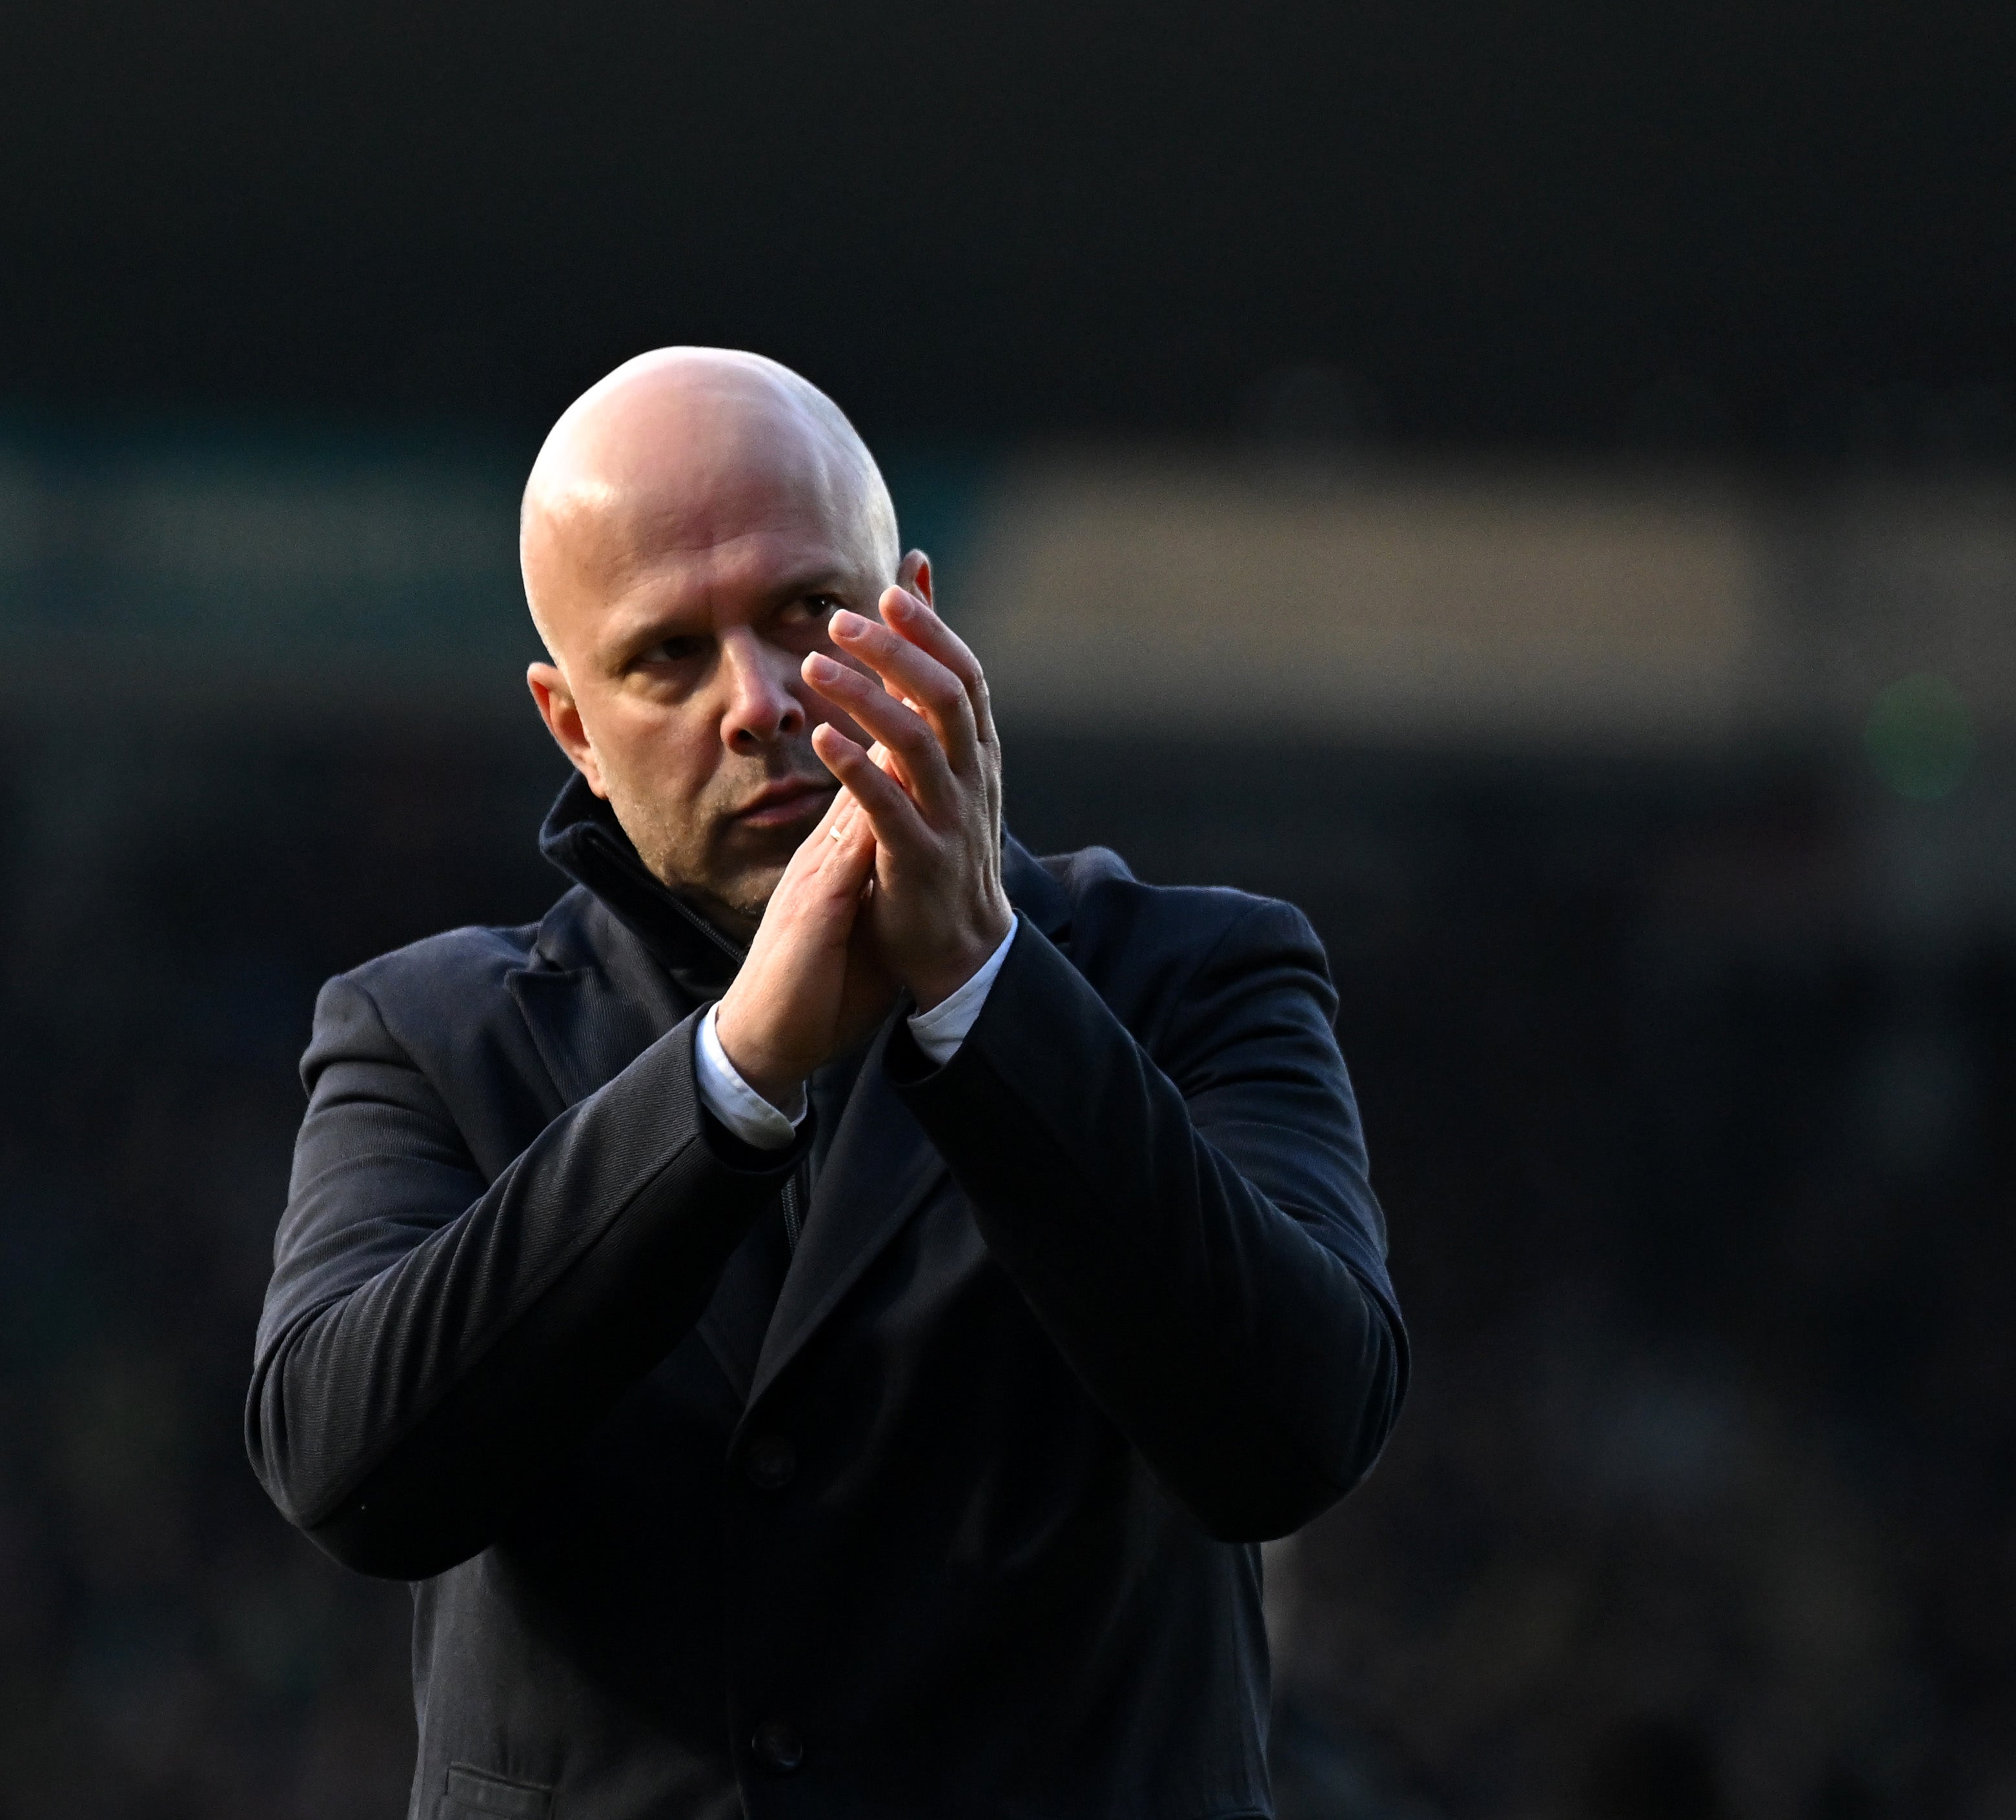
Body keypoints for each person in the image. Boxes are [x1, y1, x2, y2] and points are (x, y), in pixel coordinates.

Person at [247, 348, 1407, 1819]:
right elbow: (351, 1476)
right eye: (667, 654)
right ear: (571, 729)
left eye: (807, 612)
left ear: (915, 615)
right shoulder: (428, 1036)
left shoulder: (1200, 979)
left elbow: (1295, 1434)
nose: (759, 697)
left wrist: (985, 992)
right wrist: (731, 1080)